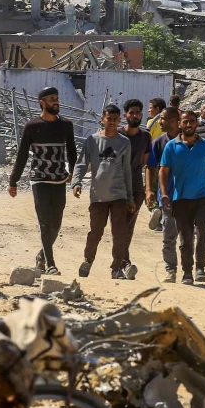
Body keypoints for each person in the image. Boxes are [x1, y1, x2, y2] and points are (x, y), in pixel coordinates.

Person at [8, 87, 77, 277]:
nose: (56, 102)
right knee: (45, 223)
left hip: (59, 180)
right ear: (42, 103)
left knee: (56, 224)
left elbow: (72, 153)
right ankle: (51, 264)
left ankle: (41, 255)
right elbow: (22, 156)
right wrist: (13, 181)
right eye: (51, 99)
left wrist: (74, 174)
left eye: (57, 98)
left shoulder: (66, 126)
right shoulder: (32, 126)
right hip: (39, 180)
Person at [73, 104, 137, 281]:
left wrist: (130, 197)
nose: (113, 122)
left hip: (118, 196)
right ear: (103, 119)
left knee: (119, 232)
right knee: (95, 232)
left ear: (119, 120)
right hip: (98, 195)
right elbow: (81, 164)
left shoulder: (124, 143)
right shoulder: (92, 140)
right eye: (109, 118)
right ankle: (88, 260)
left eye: (116, 119)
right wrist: (76, 182)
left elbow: (126, 171)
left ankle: (116, 268)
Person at [159, 111, 205, 286]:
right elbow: (163, 170)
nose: (189, 124)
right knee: (185, 237)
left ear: (197, 123)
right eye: (186, 122)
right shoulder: (171, 146)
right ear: (179, 124)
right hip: (181, 198)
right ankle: (186, 272)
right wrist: (164, 193)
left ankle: (200, 268)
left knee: (203, 232)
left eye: (192, 121)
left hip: (203, 196)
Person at [145, 107, 180, 281]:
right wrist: (149, 189)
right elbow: (150, 167)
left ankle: (190, 271)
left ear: (173, 121)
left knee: (188, 236)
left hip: (188, 195)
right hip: (166, 196)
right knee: (168, 235)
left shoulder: (189, 141)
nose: (159, 122)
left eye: (162, 119)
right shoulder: (158, 142)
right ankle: (171, 270)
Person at [119, 99, 151, 266]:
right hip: (116, 187)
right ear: (125, 115)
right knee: (119, 224)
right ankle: (122, 260)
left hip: (136, 186)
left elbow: (143, 162)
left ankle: (123, 260)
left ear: (141, 115)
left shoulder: (145, 136)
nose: (134, 115)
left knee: (129, 224)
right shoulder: (116, 135)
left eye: (137, 112)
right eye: (131, 112)